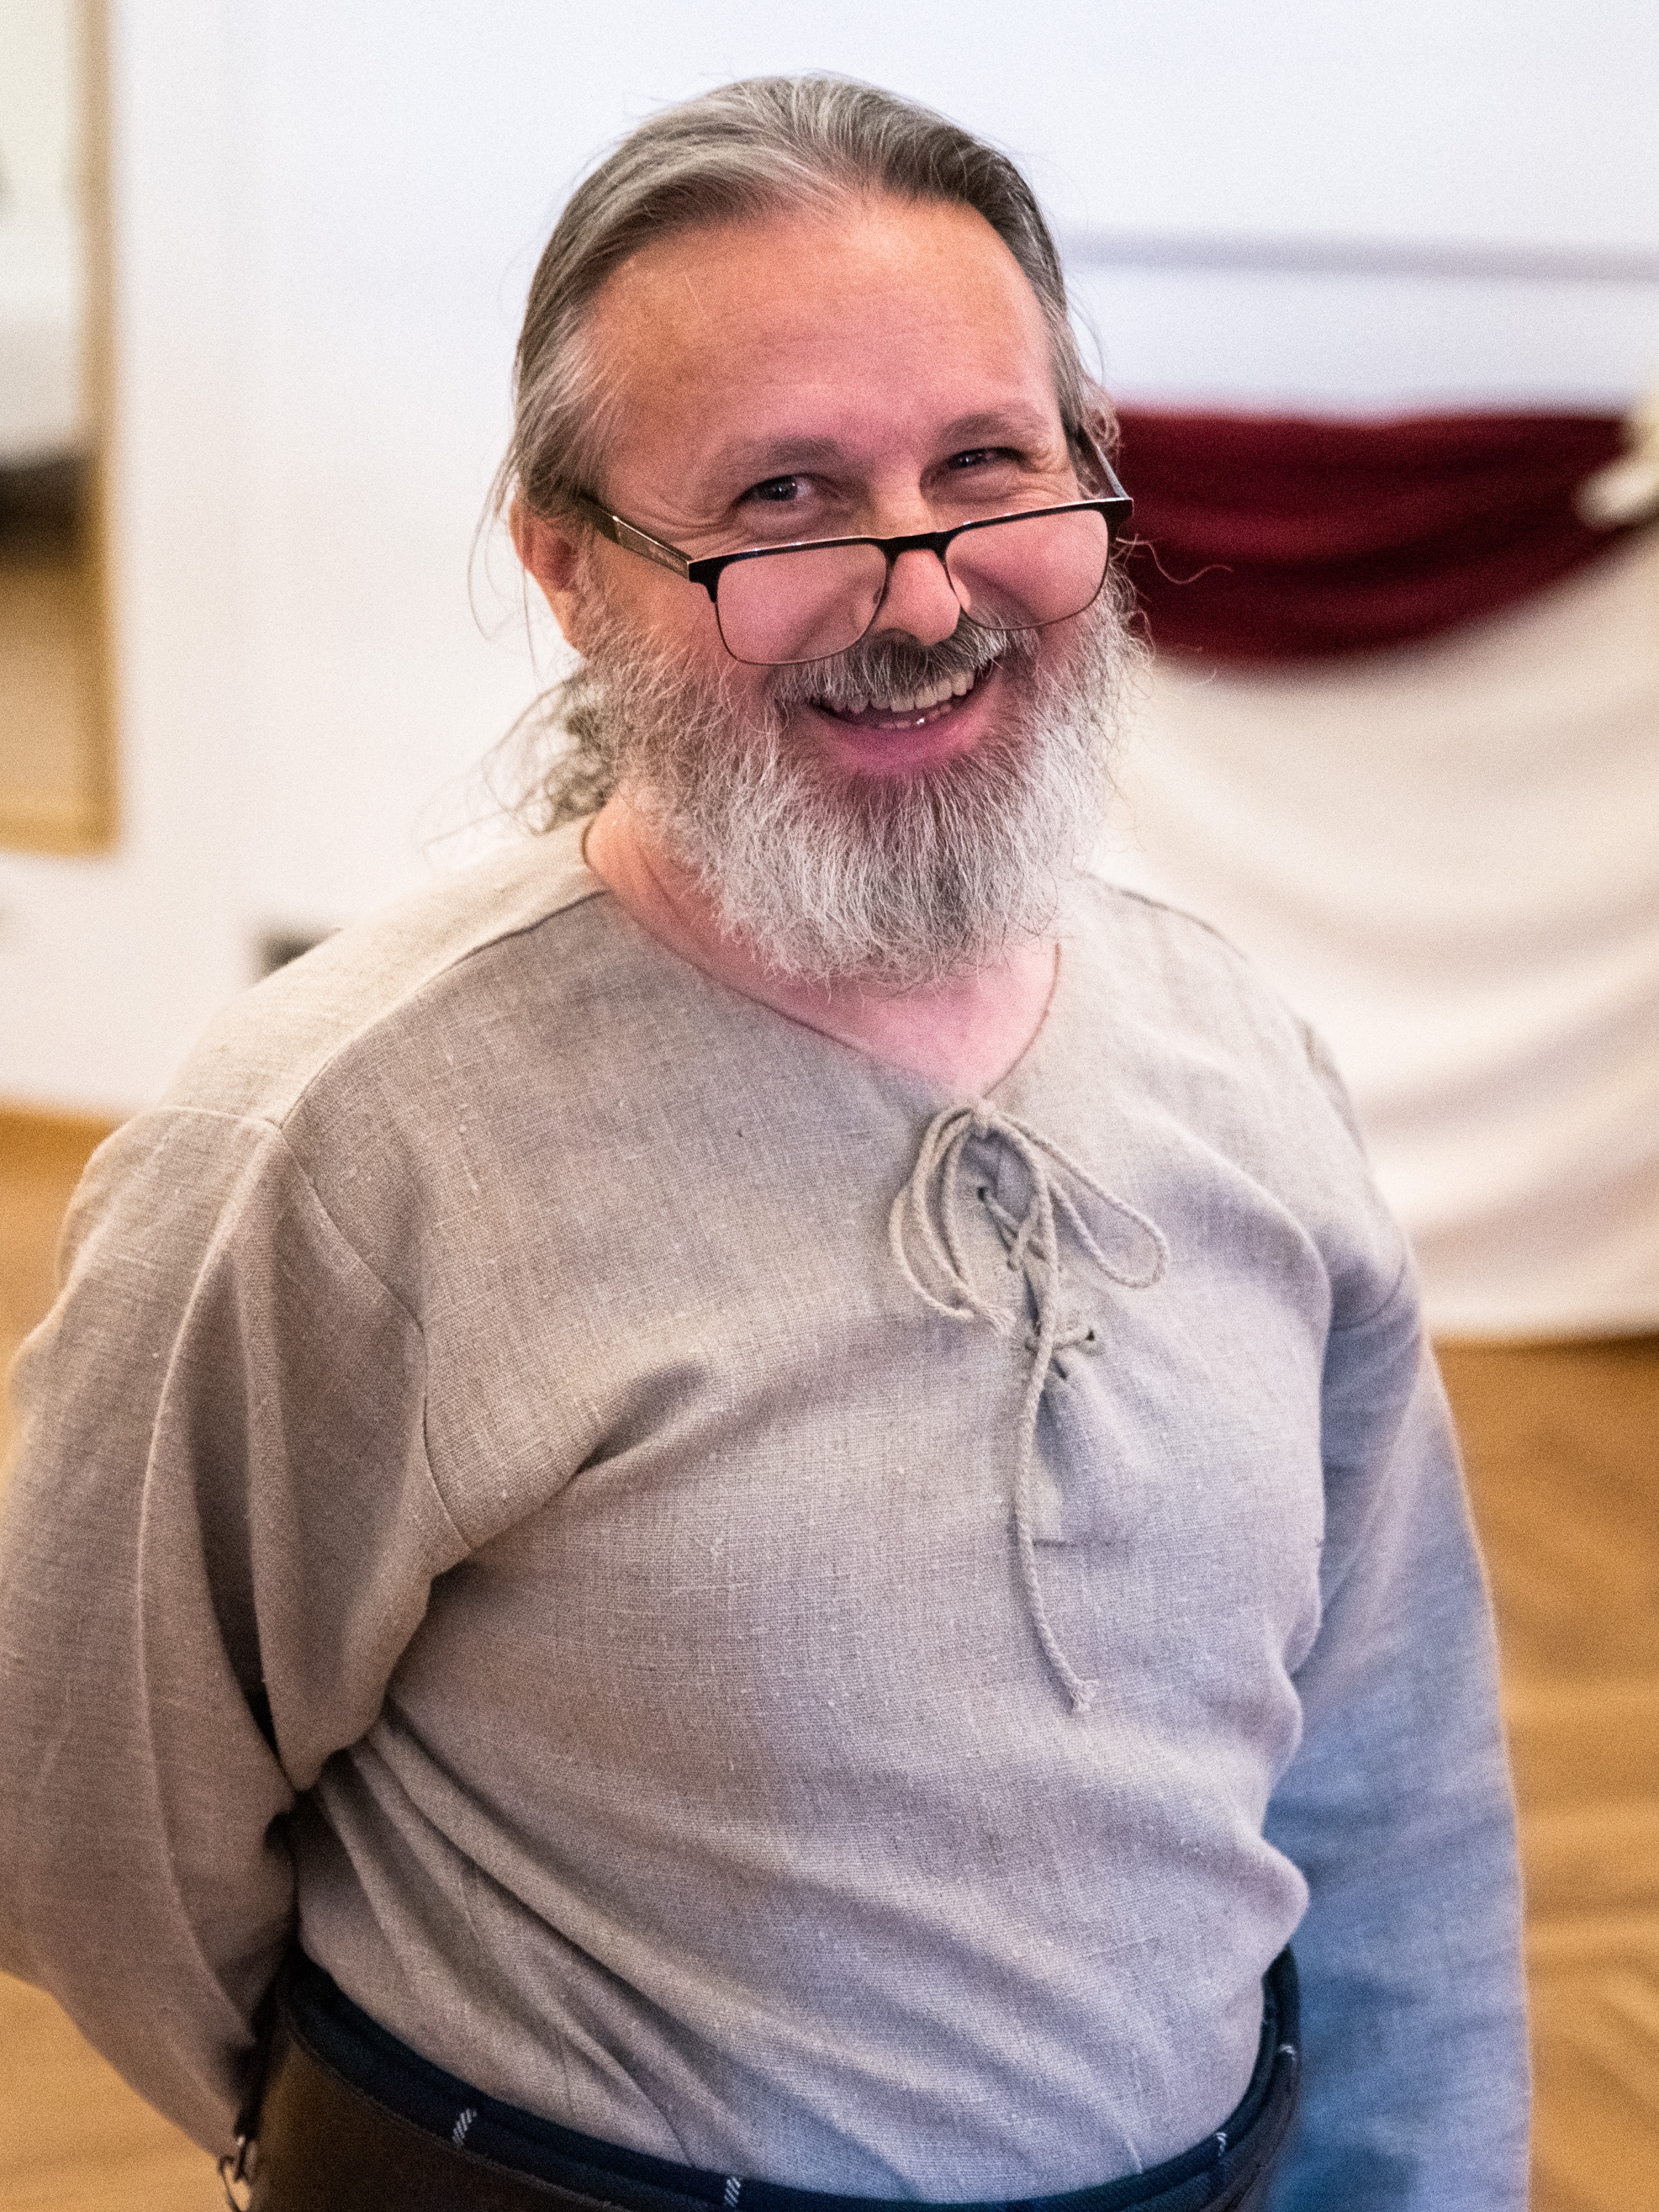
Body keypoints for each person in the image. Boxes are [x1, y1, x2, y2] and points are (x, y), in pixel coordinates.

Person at [0, 75, 1526, 2212]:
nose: (921, 593)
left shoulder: (1240, 1061)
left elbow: (1391, 1787)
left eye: (986, 465)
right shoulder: (329, 1151)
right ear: (568, 570)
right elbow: (83, 1812)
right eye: (785, 497)